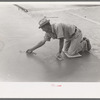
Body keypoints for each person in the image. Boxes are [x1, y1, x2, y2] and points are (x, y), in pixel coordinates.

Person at [26, 17, 91, 59]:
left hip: (76, 34)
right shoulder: (48, 32)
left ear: (47, 25)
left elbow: (61, 40)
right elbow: (43, 42)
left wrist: (59, 53)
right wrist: (32, 49)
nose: (42, 30)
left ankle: (85, 42)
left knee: (71, 53)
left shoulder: (58, 26)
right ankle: (77, 43)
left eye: (43, 28)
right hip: (69, 37)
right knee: (65, 51)